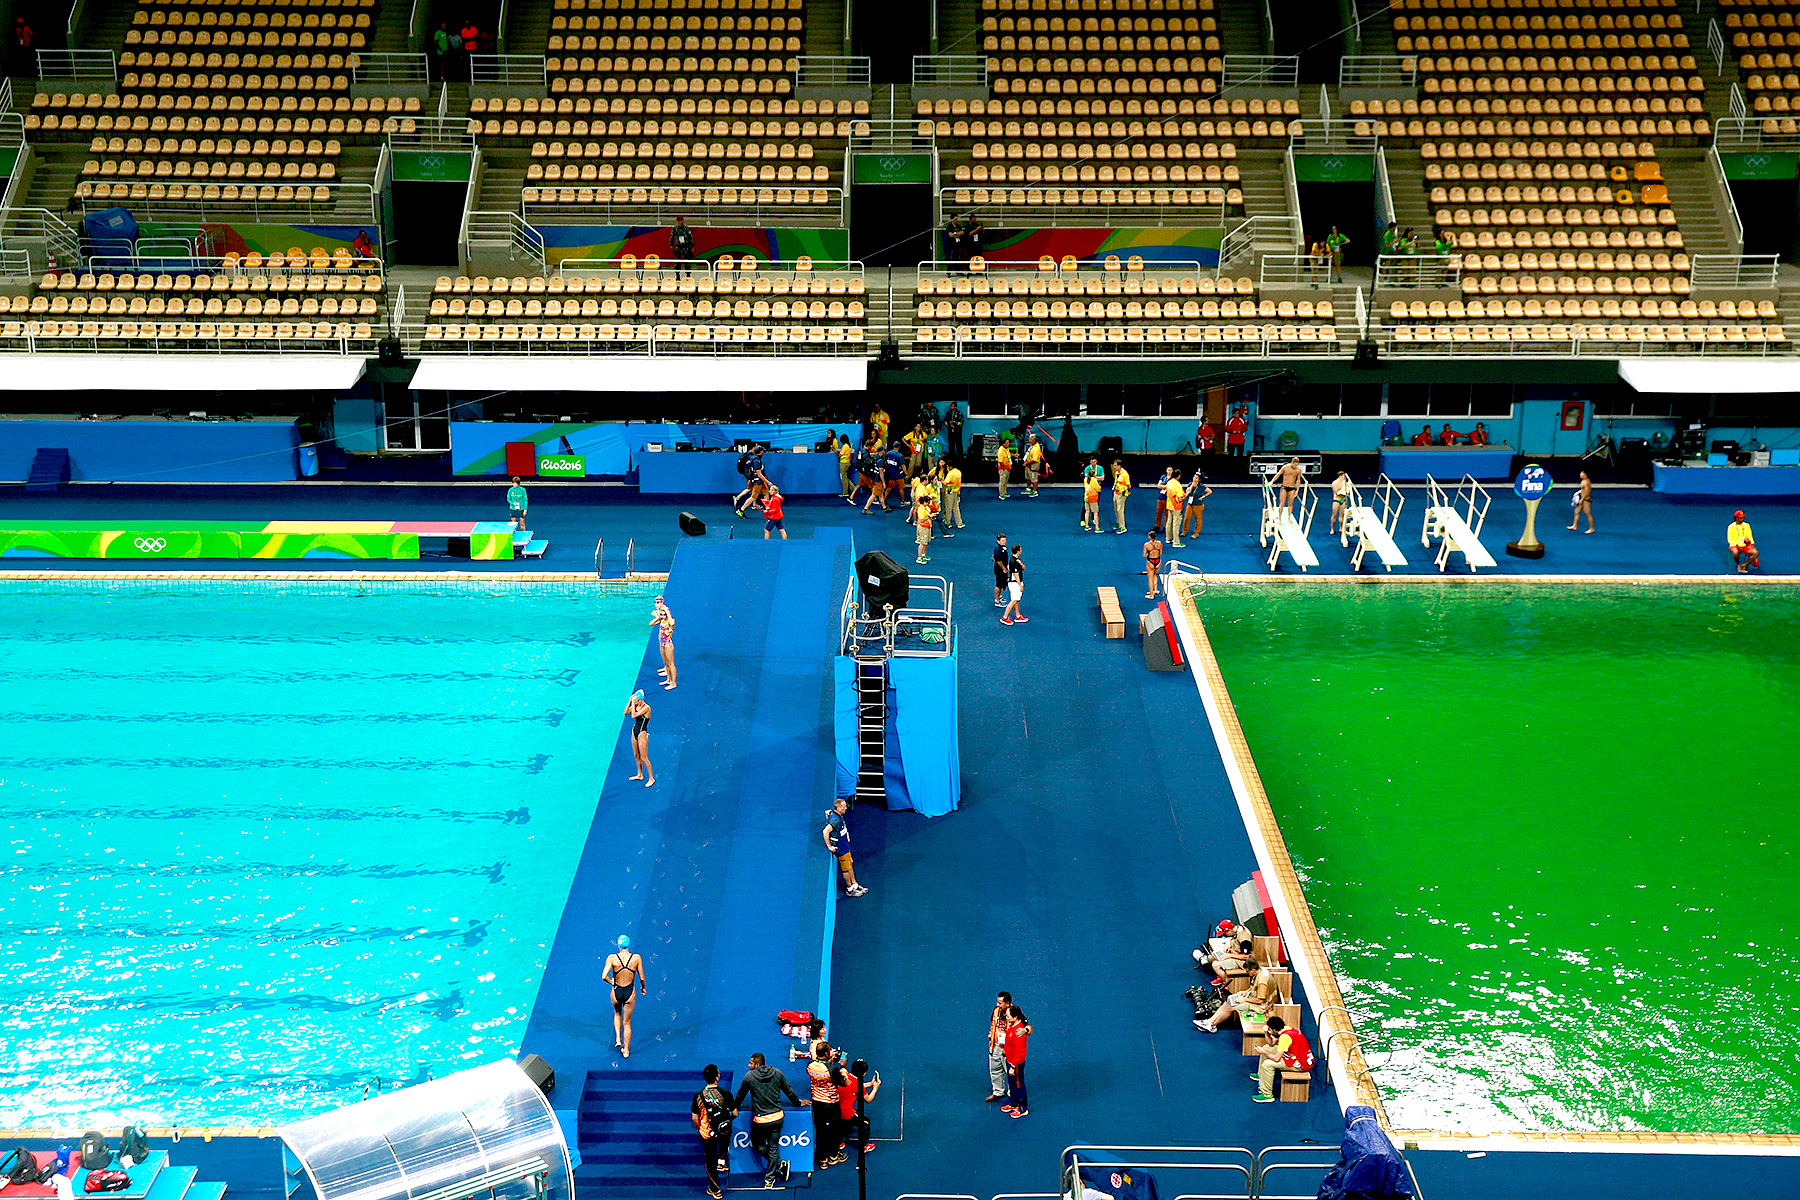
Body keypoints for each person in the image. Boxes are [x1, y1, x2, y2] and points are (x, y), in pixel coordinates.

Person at [733, 1053, 807, 1188]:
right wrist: (798, 1103)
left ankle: (778, 1166)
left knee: (758, 1144)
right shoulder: (777, 1073)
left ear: (757, 1064)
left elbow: (740, 1095)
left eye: (750, 1063)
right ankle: (772, 1176)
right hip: (777, 1118)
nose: (748, 1066)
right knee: (773, 1147)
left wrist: (733, 1108)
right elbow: (789, 1091)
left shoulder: (749, 1077)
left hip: (760, 1120)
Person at [692, 1065, 736, 1199]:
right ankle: (722, 1162)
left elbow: (694, 1117)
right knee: (724, 1142)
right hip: (723, 1127)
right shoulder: (725, 1093)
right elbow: (734, 1113)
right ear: (717, 1077)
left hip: (707, 1131)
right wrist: (727, 1120)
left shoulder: (699, 1096)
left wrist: (700, 1128)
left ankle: (716, 1190)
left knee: (710, 1159)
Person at [1197, 965, 1280, 1033]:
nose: (1247, 973)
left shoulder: (1262, 981)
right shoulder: (1260, 972)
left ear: (1253, 969)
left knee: (1230, 1008)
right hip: (1253, 998)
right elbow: (1254, 987)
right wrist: (1245, 992)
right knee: (1228, 1001)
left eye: (1248, 971)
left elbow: (1260, 1000)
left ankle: (1212, 1025)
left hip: (1261, 1006)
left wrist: (1244, 1000)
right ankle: (1209, 1021)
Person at [1252, 1016, 1313, 1105]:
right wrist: (1266, 1033)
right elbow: (1271, 1044)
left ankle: (1267, 1095)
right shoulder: (1286, 1028)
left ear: (1274, 1030)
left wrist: (1264, 1053)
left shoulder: (1285, 1038)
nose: (1269, 1031)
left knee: (1267, 1064)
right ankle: (1261, 1075)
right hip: (1296, 1056)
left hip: (1299, 1064)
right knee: (1267, 1048)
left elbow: (1276, 1059)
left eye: (1269, 1030)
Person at [603, 934, 647, 1058]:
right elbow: (642, 977)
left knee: (617, 1013)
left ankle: (618, 1039)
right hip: (629, 992)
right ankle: (626, 1051)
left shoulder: (612, 958)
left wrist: (613, 983)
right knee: (627, 1022)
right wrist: (643, 987)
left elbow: (604, 976)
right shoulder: (636, 958)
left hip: (616, 991)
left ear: (618, 944)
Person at [806, 1045, 845, 1170]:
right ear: (827, 1053)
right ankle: (833, 1156)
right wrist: (842, 1067)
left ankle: (823, 1159)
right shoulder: (832, 1070)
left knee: (821, 1130)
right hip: (831, 1103)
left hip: (817, 1102)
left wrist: (829, 1062)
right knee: (835, 1130)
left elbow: (822, 1070)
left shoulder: (810, 1065)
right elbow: (843, 1082)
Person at [823, 797, 868, 897]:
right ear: (838, 809)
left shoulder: (835, 814)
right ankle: (850, 889)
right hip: (841, 849)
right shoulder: (835, 820)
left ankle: (855, 884)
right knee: (846, 869)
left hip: (846, 846)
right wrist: (830, 846)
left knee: (850, 865)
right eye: (844, 807)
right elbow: (825, 831)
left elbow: (827, 812)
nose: (846, 808)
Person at [837, 1056, 880, 1157]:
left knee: (845, 1126)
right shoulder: (858, 1085)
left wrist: (870, 1083)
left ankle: (840, 1142)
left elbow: (854, 1087)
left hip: (836, 1108)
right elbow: (868, 1099)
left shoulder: (844, 1075)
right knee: (865, 1123)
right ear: (864, 1073)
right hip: (847, 1112)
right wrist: (875, 1088)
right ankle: (864, 1146)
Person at [1001, 1005, 1031, 1118]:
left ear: (1015, 1017)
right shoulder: (1012, 1025)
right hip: (1010, 1060)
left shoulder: (1019, 1032)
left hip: (1016, 1063)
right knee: (1012, 1084)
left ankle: (1023, 1108)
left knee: (1019, 1084)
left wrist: (1013, 1066)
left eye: (1008, 1016)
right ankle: (1013, 1103)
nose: (1006, 1017)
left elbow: (1020, 1052)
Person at [986, 991, 1014, 1102]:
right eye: (997, 1002)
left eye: (1000, 1003)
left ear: (1007, 1003)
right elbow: (992, 1024)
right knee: (995, 1070)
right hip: (996, 1045)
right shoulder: (996, 1011)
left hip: (1009, 1048)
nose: (997, 1005)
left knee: (1011, 1072)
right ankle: (998, 1091)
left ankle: (1013, 1093)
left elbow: (1026, 1026)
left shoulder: (1015, 1012)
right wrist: (991, 1035)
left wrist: (1025, 1030)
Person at [625, 690, 654, 787]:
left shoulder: (646, 707)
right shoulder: (636, 705)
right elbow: (625, 712)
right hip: (634, 731)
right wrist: (630, 701)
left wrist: (633, 704)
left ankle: (651, 778)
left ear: (641, 700)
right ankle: (640, 774)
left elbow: (633, 715)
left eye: (637, 700)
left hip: (642, 733)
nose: (636, 702)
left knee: (644, 757)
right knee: (636, 755)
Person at [650, 596, 677, 689]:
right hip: (663, 643)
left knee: (671, 664)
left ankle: (673, 683)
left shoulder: (670, 621)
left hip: (668, 644)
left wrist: (666, 615)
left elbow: (672, 621)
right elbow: (651, 623)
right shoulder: (661, 620)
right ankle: (668, 679)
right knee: (666, 661)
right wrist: (658, 617)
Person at [1182, 468, 1213, 539]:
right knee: (1187, 518)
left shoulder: (1202, 486)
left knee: (1198, 519)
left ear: (1199, 480)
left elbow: (1210, 491)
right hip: (1190, 504)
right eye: (1194, 477)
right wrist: (1192, 485)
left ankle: (1196, 532)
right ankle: (1184, 531)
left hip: (1198, 505)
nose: (1194, 479)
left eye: (1196, 478)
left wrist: (1203, 496)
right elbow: (1187, 491)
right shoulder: (1190, 484)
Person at [1001, 546, 1027, 625]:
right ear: (1018, 551)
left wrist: (1021, 564)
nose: (1021, 550)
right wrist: (1020, 585)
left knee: (1016, 599)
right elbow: (1016, 575)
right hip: (1015, 583)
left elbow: (1023, 568)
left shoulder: (1016, 560)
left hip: (1015, 583)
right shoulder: (1013, 561)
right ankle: (1004, 617)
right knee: (1014, 600)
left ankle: (1018, 616)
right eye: (1021, 549)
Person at [1565, 469, 1594, 533]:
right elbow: (1583, 490)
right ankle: (1574, 525)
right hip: (1583, 499)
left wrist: (1582, 499)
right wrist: (1579, 492)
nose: (1580, 474)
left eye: (1582, 473)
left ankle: (1591, 528)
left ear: (1586, 475)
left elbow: (1587, 492)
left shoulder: (1586, 482)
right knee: (1576, 511)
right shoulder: (1583, 481)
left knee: (1587, 514)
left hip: (1586, 500)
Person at [940, 459, 963, 536]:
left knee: (948, 507)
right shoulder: (958, 472)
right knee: (956, 507)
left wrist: (940, 480)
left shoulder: (950, 474)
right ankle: (959, 522)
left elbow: (945, 483)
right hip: (956, 491)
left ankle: (947, 522)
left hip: (950, 492)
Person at [914, 487, 935, 564]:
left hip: (928, 526)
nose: (928, 503)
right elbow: (922, 519)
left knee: (926, 542)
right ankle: (919, 558)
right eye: (927, 502)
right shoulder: (921, 509)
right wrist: (930, 516)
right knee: (923, 543)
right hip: (923, 527)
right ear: (924, 502)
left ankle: (923, 555)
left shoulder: (926, 507)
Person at [1110, 460, 1132, 534]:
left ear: (1119, 466)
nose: (1114, 467)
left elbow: (1129, 485)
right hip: (1116, 492)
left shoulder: (1125, 474)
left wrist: (1127, 492)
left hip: (1122, 494)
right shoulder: (1117, 473)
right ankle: (1118, 523)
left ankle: (1123, 527)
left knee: (1120, 510)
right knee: (1116, 508)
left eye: (1115, 465)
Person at [1329, 471, 1352, 536]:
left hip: (1343, 500)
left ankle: (1341, 527)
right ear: (1340, 476)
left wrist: (1348, 486)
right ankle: (1332, 528)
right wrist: (1342, 485)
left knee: (1342, 515)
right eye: (1343, 476)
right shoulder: (1334, 483)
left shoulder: (1345, 483)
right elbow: (1337, 492)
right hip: (1336, 500)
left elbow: (1347, 491)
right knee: (1334, 515)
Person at [1143, 526, 1163, 600]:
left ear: (1149, 537)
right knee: (1155, 575)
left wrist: (1149, 554)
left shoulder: (1146, 545)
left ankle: (1151, 594)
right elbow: (1160, 553)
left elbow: (1144, 555)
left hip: (1150, 562)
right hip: (1158, 561)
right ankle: (1155, 589)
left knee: (1150, 578)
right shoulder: (1159, 543)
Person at [992, 534, 1010, 608]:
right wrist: (1004, 569)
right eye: (1002, 540)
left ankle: (999, 596)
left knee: (1001, 584)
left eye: (1005, 540)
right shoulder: (999, 550)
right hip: (1000, 570)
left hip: (1002, 568)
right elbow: (999, 561)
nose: (1004, 542)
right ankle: (997, 601)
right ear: (998, 541)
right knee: (998, 585)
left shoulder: (1003, 548)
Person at [836, 432, 855, 497]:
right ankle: (854, 489)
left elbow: (840, 454)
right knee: (846, 477)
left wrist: (837, 452)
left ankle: (845, 492)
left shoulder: (844, 446)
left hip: (844, 463)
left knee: (843, 478)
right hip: (848, 463)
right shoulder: (848, 446)